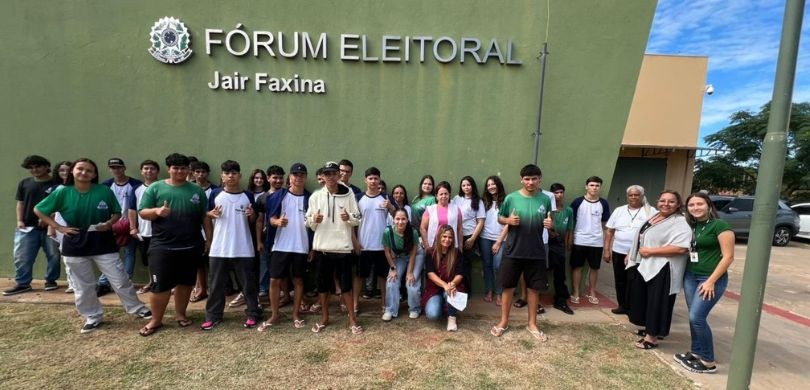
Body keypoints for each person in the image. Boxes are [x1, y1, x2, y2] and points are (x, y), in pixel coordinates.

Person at [34, 158, 152, 333]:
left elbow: (117, 212)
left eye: (89, 170)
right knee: (83, 284)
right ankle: (92, 316)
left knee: (119, 278)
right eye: (80, 169)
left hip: (101, 239)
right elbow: (39, 209)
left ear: (94, 174)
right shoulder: (63, 192)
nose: (84, 173)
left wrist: (109, 224)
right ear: (73, 171)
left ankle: (137, 308)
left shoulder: (103, 190)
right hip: (75, 240)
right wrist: (59, 227)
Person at [137, 153, 208, 336]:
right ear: (169, 169)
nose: (179, 171)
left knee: (185, 284)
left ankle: (180, 315)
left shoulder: (196, 190)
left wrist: (210, 239)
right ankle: (156, 320)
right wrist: (157, 211)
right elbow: (143, 212)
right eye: (175, 168)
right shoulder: (155, 188)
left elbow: (204, 217)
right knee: (160, 286)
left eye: (183, 168)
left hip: (191, 246)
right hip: (162, 246)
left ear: (188, 170)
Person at [674, 193, 735, 373]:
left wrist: (710, 281)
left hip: (710, 279)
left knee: (697, 318)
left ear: (709, 205)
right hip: (691, 276)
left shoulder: (720, 225)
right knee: (693, 317)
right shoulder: (692, 226)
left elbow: (728, 257)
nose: (695, 208)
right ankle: (696, 352)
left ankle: (708, 361)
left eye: (699, 204)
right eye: (691, 205)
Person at [491, 164, 553, 341]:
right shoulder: (511, 198)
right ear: (521, 179)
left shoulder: (545, 199)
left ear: (539, 179)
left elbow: (550, 221)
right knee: (508, 287)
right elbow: (500, 218)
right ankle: (503, 321)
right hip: (513, 250)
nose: (530, 182)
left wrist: (551, 225)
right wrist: (508, 220)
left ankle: (532, 324)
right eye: (527, 179)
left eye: (534, 179)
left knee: (534, 289)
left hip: (536, 252)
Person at [200, 160, 261, 330]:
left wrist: (251, 214)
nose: (230, 176)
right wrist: (210, 217)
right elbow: (207, 217)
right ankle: (213, 316)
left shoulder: (248, 195)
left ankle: (253, 314)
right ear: (222, 176)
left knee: (248, 285)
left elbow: (253, 219)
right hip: (220, 248)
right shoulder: (215, 194)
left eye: (234, 173)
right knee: (216, 285)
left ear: (239, 175)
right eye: (227, 173)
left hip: (243, 247)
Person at [626, 190, 691, 349]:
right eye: (663, 200)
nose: (666, 204)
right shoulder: (655, 217)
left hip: (664, 268)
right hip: (647, 265)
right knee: (647, 299)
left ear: (678, 204)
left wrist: (650, 252)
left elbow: (681, 248)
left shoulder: (680, 222)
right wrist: (631, 253)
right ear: (657, 201)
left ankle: (652, 338)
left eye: (671, 201)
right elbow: (643, 236)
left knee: (658, 302)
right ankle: (650, 328)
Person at [306, 161, 363, 334]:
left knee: (346, 287)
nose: (331, 177)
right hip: (323, 248)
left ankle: (352, 319)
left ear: (339, 175)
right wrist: (313, 220)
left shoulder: (349, 194)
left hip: (343, 249)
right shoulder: (316, 196)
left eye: (333, 173)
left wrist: (349, 218)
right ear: (322, 176)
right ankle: (324, 318)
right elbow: (307, 221)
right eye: (327, 174)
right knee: (323, 287)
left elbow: (358, 217)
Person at [258, 163, 313, 331]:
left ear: (305, 177)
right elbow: (270, 219)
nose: (298, 177)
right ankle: (274, 315)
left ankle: (296, 314)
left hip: (301, 246)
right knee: (275, 280)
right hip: (280, 245)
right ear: (290, 177)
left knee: (298, 280)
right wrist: (277, 222)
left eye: (302, 175)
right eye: (295, 175)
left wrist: (312, 248)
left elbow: (314, 225)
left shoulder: (310, 199)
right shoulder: (278, 196)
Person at [4, 155, 60, 296]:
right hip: (28, 227)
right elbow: (20, 203)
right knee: (22, 256)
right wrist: (19, 220)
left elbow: (61, 204)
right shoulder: (25, 183)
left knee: (53, 255)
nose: (34, 170)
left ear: (47, 166)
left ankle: (51, 281)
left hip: (51, 226)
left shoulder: (57, 184)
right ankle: (23, 284)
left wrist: (48, 219)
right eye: (31, 168)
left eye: (38, 166)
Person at [603, 185, 656, 315]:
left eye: (636, 195)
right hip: (618, 251)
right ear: (627, 196)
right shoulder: (619, 210)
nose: (633, 197)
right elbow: (610, 231)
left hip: (638, 254)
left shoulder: (651, 211)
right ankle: (622, 305)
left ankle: (633, 307)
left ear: (642, 196)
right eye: (631, 195)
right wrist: (606, 250)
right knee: (620, 280)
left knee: (635, 281)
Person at [96, 158, 143, 297]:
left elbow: (137, 206)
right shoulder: (106, 185)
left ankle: (125, 282)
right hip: (111, 225)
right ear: (110, 169)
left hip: (130, 225)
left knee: (129, 253)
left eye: (119, 167)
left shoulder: (136, 184)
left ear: (124, 168)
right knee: (110, 255)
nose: (116, 170)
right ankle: (104, 283)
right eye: (113, 167)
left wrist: (134, 225)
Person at [354, 167, 396, 309]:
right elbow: (352, 223)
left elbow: (398, 217)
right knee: (359, 276)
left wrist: (390, 207)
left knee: (383, 277)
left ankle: (384, 303)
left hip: (381, 246)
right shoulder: (358, 198)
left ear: (379, 180)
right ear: (365, 180)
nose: (373, 181)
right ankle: (355, 304)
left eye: (376, 178)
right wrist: (355, 242)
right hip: (363, 245)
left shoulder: (386, 198)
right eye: (370, 178)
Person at [570, 176, 610, 305]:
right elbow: (571, 221)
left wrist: (606, 243)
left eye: (597, 186)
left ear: (600, 188)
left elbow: (605, 224)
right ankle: (576, 292)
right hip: (579, 240)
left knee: (594, 268)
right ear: (586, 186)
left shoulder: (603, 203)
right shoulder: (577, 202)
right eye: (592, 185)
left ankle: (592, 292)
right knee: (577, 267)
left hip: (596, 241)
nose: (594, 188)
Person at [382, 208, 423, 321]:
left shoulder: (413, 232)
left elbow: (414, 253)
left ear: (407, 220)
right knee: (392, 280)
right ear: (393, 220)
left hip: (416, 255)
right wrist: (393, 268)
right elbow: (387, 251)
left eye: (403, 219)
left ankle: (414, 308)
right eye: (397, 219)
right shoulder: (387, 232)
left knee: (411, 281)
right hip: (399, 257)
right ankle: (390, 310)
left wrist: (409, 273)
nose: (400, 222)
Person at [421, 225, 465, 331]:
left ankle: (452, 318)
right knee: (432, 314)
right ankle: (445, 306)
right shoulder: (431, 253)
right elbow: (430, 274)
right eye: (444, 236)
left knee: (450, 291)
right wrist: (444, 285)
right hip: (434, 289)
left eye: (450, 237)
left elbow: (460, 274)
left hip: (451, 287)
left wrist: (452, 283)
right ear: (439, 237)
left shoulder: (457, 253)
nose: (447, 240)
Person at [129, 160, 161, 294]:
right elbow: (132, 209)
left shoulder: (164, 186)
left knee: (163, 259)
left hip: (161, 232)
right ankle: (151, 282)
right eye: (146, 168)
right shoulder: (136, 189)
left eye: (152, 169)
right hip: (144, 232)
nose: (149, 171)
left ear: (157, 172)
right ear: (141, 172)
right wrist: (133, 227)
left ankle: (167, 284)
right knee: (148, 260)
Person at [255, 165, 286, 299]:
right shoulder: (262, 198)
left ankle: (284, 293)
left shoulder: (287, 195)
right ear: (268, 178)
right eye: (275, 178)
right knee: (266, 264)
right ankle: (263, 289)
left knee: (283, 268)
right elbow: (260, 220)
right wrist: (259, 241)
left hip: (285, 238)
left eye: (280, 178)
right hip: (268, 239)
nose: (278, 181)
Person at [189, 160, 218, 304]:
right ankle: (201, 288)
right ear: (193, 173)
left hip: (214, 229)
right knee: (199, 262)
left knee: (213, 261)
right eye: (197, 172)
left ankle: (214, 288)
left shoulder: (215, 190)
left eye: (203, 172)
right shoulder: (189, 189)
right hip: (195, 230)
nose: (200, 174)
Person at [452, 176, 485, 295]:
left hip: (469, 236)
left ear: (472, 186)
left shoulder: (478, 201)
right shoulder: (456, 199)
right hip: (455, 235)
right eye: (464, 185)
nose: (466, 187)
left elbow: (481, 222)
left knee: (465, 265)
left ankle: (466, 292)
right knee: (455, 264)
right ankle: (456, 289)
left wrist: (472, 239)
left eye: (468, 185)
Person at [479, 176, 508, 306]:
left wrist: (498, 242)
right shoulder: (484, 201)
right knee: (487, 265)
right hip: (485, 237)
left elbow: (509, 223)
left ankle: (499, 293)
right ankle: (489, 291)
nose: (491, 187)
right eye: (488, 185)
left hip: (501, 239)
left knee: (498, 266)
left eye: (493, 184)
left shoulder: (507, 200)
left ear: (498, 185)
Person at [547, 183, 574, 315]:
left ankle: (560, 300)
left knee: (560, 274)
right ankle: (535, 302)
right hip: (546, 245)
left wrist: (569, 241)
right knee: (542, 273)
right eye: (556, 193)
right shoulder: (547, 209)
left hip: (560, 246)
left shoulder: (568, 210)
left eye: (561, 192)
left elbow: (569, 228)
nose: (558, 195)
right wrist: (550, 232)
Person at [50, 161, 76, 293]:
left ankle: (83, 283)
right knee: (66, 254)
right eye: (62, 170)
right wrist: (52, 227)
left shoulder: (80, 186)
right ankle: (72, 283)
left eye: (68, 170)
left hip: (78, 223)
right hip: (61, 224)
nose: (65, 173)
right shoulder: (56, 188)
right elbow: (49, 210)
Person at [420, 181, 463, 251]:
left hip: (450, 245)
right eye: (441, 194)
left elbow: (460, 229)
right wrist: (427, 246)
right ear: (437, 196)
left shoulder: (456, 209)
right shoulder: (430, 209)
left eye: (446, 194)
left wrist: (460, 247)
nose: (443, 196)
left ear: (449, 195)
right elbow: (422, 228)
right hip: (433, 246)